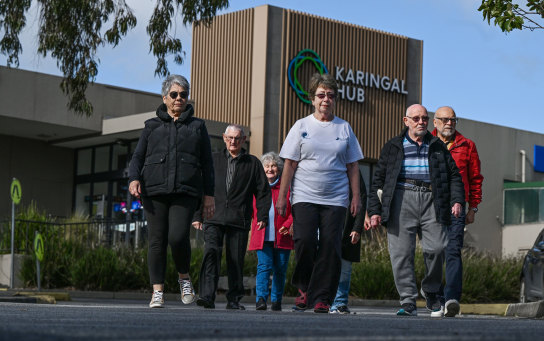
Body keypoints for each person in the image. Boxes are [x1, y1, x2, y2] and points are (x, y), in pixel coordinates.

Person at [276, 73, 364, 314]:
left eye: (331, 96)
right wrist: (283, 196)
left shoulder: (344, 127)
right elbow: (290, 164)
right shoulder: (301, 126)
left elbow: (353, 166)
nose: (326, 99)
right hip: (304, 195)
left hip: (336, 198)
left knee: (330, 246)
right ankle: (304, 287)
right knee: (304, 240)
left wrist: (356, 197)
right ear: (312, 99)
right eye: (321, 95)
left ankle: (322, 298)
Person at [368, 104, 464, 317]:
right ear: (406, 121)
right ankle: (408, 300)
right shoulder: (393, 146)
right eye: (416, 118)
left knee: (438, 248)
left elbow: (455, 176)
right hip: (401, 199)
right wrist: (374, 210)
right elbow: (378, 180)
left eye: (424, 119)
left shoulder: (438, 146)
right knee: (401, 254)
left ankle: (430, 291)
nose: (421, 122)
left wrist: (457, 201)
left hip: (433, 199)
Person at [128, 74, 215, 308]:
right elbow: (138, 157)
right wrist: (134, 178)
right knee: (156, 240)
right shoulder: (151, 126)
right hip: (154, 191)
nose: (179, 99)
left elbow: (207, 163)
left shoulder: (197, 127)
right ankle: (157, 291)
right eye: (174, 94)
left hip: (185, 191)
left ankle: (184, 278)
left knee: (177, 237)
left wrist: (208, 195)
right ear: (165, 97)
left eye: (183, 95)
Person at [193, 124, 271, 310]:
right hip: (213, 216)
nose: (233, 141)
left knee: (235, 260)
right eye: (230, 138)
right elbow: (201, 189)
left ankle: (234, 299)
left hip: (239, 218)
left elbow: (262, 191)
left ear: (243, 140)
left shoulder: (252, 163)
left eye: (237, 138)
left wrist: (262, 215)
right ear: (224, 138)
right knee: (211, 254)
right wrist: (197, 215)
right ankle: (206, 296)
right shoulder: (212, 160)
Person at [432, 106, 483, 317]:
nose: (449, 123)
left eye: (453, 120)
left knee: (453, 251)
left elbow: (476, 179)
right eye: (444, 120)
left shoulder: (467, 145)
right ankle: (435, 299)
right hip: (430, 206)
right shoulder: (427, 144)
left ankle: (451, 299)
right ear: (434, 122)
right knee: (433, 251)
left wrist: (474, 208)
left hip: (457, 208)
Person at [248, 152, 294, 312]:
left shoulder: (286, 187)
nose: (270, 169)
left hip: (283, 235)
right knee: (264, 267)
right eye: (267, 166)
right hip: (262, 234)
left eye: (273, 166)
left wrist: (288, 224)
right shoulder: (257, 188)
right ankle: (261, 299)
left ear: (279, 168)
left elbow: (294, 210)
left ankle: (276, 300)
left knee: (280, 269)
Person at [329, 171, 367, 314]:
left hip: (347, 228)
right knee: (327, 267)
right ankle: (325, 301)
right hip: (328, 224)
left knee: (344, 270)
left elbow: (362, 197)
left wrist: (357, 228)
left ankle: (340, 303)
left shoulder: (354, 171)